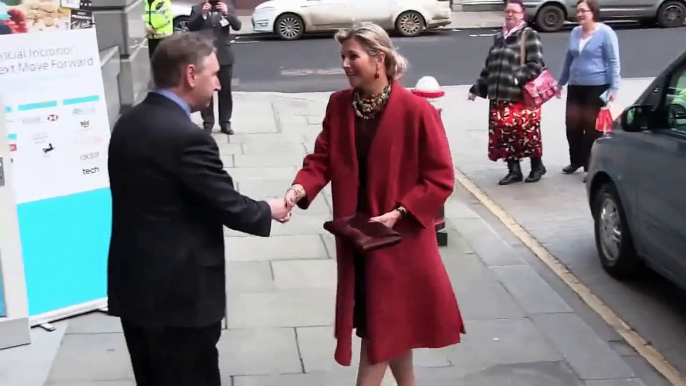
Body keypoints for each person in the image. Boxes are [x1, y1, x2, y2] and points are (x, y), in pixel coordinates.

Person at [283, 22, 465, 386]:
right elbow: (322, 159)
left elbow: (440, 178)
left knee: (378, 335)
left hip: (400, 244)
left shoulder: (417, 112)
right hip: (360, 242)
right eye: (343, 57)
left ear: (379, 59)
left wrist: (400, 212)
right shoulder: (339, 105)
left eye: (353, 56)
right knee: (389, 333)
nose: (346, 64)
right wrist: (299, 190)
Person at [106, 32, 291, 386]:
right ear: (191, 75)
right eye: (214, 74)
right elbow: (227, 203)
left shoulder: (128, 123)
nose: (219, 84)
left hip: (135, 291)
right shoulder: (187, 138)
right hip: (179, 300)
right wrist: (269, 209)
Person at [469, 0, 547, 185]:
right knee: (504, 136)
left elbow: (536, 65)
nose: (510, 14)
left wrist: (516, 77)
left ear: (522, 15)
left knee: (526, 135)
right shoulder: (499, 37)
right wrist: (477, 88)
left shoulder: (529, 35)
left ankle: (537, 167)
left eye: (514, 12)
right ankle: (514, 171)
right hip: (499, 97)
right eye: (507, 11)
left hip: (520, 98)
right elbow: (489, 66)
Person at [556, 0, 620, 181]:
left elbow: (614, 61)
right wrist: (560, 83)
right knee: (573, 126)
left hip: (597, 86)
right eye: (578, 11)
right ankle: (576, 160)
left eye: (583, 11)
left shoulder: (606, 33)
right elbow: (569, 58)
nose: (579, 14)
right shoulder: (575, 32)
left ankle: (591, 167)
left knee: (592, 129)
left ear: (593, 12)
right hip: (576, 86)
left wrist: (614, 86)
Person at [188, 0, 241, 135]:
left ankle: (225, 123)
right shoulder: (197, 9)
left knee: (225, 91)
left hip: (224, 56)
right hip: (205, 56)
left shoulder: (226, 7)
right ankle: (208, 123)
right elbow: (191, 27)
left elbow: (237, 26)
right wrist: (203, 15)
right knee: (206, 90)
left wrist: (227, 14)